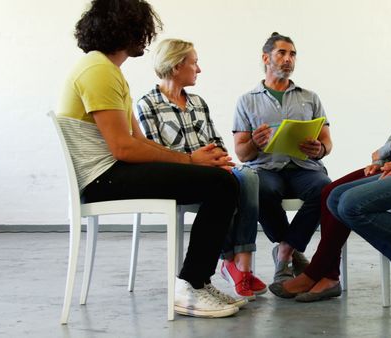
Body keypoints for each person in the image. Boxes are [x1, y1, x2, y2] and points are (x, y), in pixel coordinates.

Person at [57, 0, 245, 318]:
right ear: (128, 29)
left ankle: (196, 282)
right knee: (222, 184)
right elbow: (123, 149)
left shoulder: (106, 70)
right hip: (103, 178)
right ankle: (191, 285)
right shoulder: (98, 71)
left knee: (221, 181)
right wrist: (190, 161)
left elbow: (138, 142)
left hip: (111, 172)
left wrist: (191, 159)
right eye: (143, 29)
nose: (146, 37)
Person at [270, 19, 391, 302]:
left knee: (345, 201)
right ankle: (328, 276)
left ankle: (319, 273)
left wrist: (389, 150)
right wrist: (381, 155)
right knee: (329, 191)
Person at [136, 38, 267, 300]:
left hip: (214, 170)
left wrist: (217, 159)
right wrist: (195, 159)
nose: (199, 69)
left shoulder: (198, 103)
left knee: (249, 176)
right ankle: (226, 262)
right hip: (181, 176)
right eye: (194, 63)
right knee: (225, 185)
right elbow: (156, 154)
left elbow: (218, 144)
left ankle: (240, 263)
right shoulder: (147, 105)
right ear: (175, 67)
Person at [232, 32, 333, 283]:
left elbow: (327, 143)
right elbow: (241, 153)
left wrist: (318, 149)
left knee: (325, 189)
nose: (288, 59)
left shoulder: (309, 97)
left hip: (304, 166)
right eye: (282, 53)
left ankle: (285, 251)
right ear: (266, 57)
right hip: (265, 168)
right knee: (260, 189)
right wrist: (255, 142)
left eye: (293, 54)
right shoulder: (246, 101)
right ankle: (291, 249)